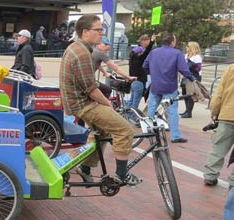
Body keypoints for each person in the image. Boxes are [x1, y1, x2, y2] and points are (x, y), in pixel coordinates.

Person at [59, 14, 139, 185]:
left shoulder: (79, 48)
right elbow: (92, 90)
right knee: (125, 129)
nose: (102, 33)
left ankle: (85, 169)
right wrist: (108, 104)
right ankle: (121, 175)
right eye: (98, 29)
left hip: (78, 102)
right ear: (85, 32)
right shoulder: (81, 53)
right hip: (83, 104)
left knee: (101, 133)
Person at [143, 32, 194, 143]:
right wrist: (191, 78)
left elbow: (145, 66)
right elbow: (184, 69)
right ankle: (175, 136)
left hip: (156, 85)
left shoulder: (153, 52)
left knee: (151, 108)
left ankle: (148, 131)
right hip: (170, 86)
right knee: (172, 111)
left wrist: (153, 74)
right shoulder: (177, 53)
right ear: (172, 42)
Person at [202, 63, 234, 188]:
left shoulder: (230, 68)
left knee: (218, 148)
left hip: (227, 114)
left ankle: (210, 175)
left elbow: (219, 93)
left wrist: (214, 111)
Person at [127, 34, 155, 113]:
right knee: (135, 102)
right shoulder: (139, 60)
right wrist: (152, 42)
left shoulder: (132, 59)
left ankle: (127, 115)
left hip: (133, 82)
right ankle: (132, 116)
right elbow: (147, 52)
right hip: (139, 82)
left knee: (131, 100)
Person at [181, 41, 203, 118]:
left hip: (194, 77)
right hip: (186, 76)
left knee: (191, 95)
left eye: (188, 46)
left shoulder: (197, 57)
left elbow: (198, 68)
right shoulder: (186, 55)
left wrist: (190, 64)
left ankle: (189, 112)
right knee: (184, 94)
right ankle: (186, 110)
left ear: (192, 47)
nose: (186, 47)